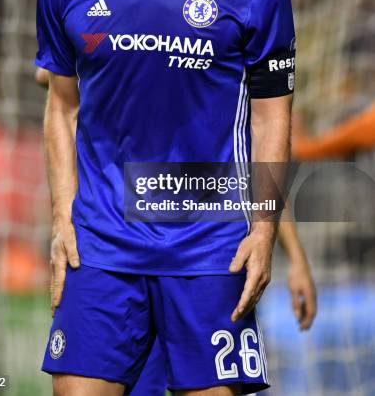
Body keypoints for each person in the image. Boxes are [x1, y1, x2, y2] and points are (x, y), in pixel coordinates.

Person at [36, 0, 298, 395]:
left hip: (210, 247)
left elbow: (272, 112)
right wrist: (61, 220)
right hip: (102, 243)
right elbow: (61, 106)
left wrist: (264, 227)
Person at [36, 65, 316, 395]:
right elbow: (52, 76)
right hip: (119, 259)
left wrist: (294, 257)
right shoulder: (113, 53)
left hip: (204, 259)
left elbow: (254, 174)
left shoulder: (226, 86)